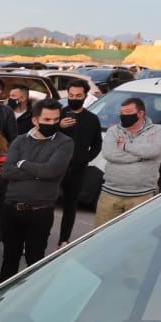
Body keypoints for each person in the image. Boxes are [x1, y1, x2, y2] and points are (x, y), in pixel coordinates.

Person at [0, 100, 74, 281]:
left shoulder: (65, 143)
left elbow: (51, 171)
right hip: (12, 210)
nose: (52, 124)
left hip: (40, 213)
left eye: (56, 120)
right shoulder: (20, 140)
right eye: (47, 119)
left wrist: (23, 164)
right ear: (35, 120)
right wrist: (38, 172)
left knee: (34, 263)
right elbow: (7, 171)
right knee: (9, 258)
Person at [97, 96, 161, 223]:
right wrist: (142, 157)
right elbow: (109, 154)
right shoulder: (113, 131)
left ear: (141, 113)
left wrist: (125, 146)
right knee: (101, 235)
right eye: (122, 113)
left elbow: (154, 151)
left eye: (128, 112)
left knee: (136, 238)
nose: (124, 116)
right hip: (110, 194)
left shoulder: (158, 131)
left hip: (142, 195)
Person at [55, 79, 103, 247]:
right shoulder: (57, 114)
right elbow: (45, 137)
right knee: (46, 204)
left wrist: (86, 158)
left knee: (70, 205)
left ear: (85, 96)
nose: (74, 98)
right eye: (71, 95)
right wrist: (58, 126)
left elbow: (97, 143)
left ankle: (64, 239)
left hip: (77, 169)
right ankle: (37, 237)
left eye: (78, 95)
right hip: (54, 167)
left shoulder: (92, 119)